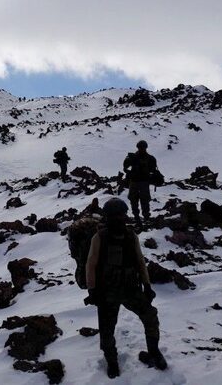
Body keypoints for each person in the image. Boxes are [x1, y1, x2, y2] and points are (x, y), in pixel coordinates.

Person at [85, 198, 166, 378]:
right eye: (116, 216)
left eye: (121, 215)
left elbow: (139, 261)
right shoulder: (99, 238)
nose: (119, 219)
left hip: (131, 289)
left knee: (150, 317)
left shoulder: (130, 236)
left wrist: (146, 285)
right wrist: (92, 290)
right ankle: (112, 362)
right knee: (106, 331)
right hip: (107, 291)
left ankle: (154, 352)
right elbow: (91, 265)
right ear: (108, 218)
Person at [123, 140, 158, 225]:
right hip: (138, 182)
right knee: (136, 200)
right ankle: (139, 217)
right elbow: (125, 167)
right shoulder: (135, 157)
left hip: (140, 182)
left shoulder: (148, 158)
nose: (141, 149)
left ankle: (142, 217)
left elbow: (153, 170)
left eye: (142, 147)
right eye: (141, 147)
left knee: (141, 200)